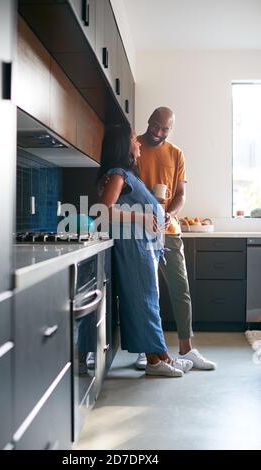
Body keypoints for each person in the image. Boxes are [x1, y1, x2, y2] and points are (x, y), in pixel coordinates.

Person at [97, 123, 193, 377]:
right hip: (134, 250)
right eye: (133, 139)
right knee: (144, 303)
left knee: (149, 303)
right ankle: (153, 361)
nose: (138, 143)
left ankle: (163, 356)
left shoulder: (128, 174)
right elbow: (102, 211)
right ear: (124, 145)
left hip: (144, 249)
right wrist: (140, 218)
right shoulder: (118, 173)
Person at [135, 107, 217, 370]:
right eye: (155, 126)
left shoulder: (176, 154)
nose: (158, 132)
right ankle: (145, 349)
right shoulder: (133, 147)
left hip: (168, 232)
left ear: (171, 129)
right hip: (138, 230)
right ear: (149, 121)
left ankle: (187, 348)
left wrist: (169, 214)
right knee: (146, 293)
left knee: (181, 290)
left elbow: (180, 193)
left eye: (165, 129)